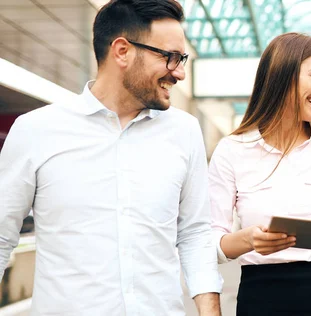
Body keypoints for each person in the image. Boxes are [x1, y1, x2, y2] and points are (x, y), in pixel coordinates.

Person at [0, 0, 221, 315]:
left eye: (182, 59)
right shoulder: (35, 131)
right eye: (171, 58)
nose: (180, 73)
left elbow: (195, 233)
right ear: (122, 51)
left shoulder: (184, 132)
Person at [209, 32, 311, 315]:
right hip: (259, 298)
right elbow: (210, 241)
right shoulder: (231, 150)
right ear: (282, 76)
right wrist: (249, 240)